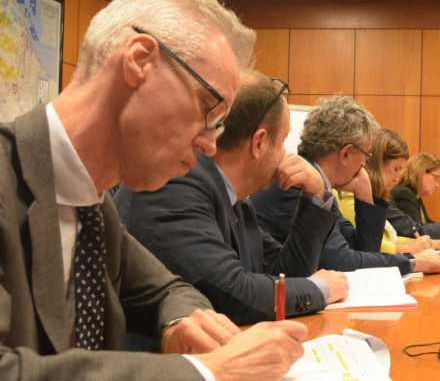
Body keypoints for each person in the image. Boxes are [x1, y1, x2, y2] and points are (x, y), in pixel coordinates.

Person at [0, 0, 305, 380]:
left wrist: (179, 322)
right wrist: (204, 370)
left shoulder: (93, 207)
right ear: (139, 61)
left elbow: (168, 290)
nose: (210, 145)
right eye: (208, 109)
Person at [116, 72, 349, 326]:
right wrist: (318, 289)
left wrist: (314, 197)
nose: (286, 153)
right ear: (258, 143)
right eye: (283, 140)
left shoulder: (234, 199)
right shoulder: (176, 182)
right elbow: (233, 296)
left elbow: (284, 274)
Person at [250, 95, 440, 275]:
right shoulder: (298, 184)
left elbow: (364, 250)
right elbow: (341, 262)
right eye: (366, 154)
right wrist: (412, 262)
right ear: (346, 153)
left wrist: (364, 193)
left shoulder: (321, 184)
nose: (364, 164)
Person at [338, 129, 440, 253]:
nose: (397, 178)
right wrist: (410, 248)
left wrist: (436, 243)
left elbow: (392, 238)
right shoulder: (349, 193)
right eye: (396, 169)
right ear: (377, 164)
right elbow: (372, 246)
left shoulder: (376, 194)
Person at [390, 152, 440, 237]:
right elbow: (418, 233)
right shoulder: (403, 194)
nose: (437, 185)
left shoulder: (415, 195)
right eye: (436, 178)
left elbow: (426, 224)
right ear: (420, 171)